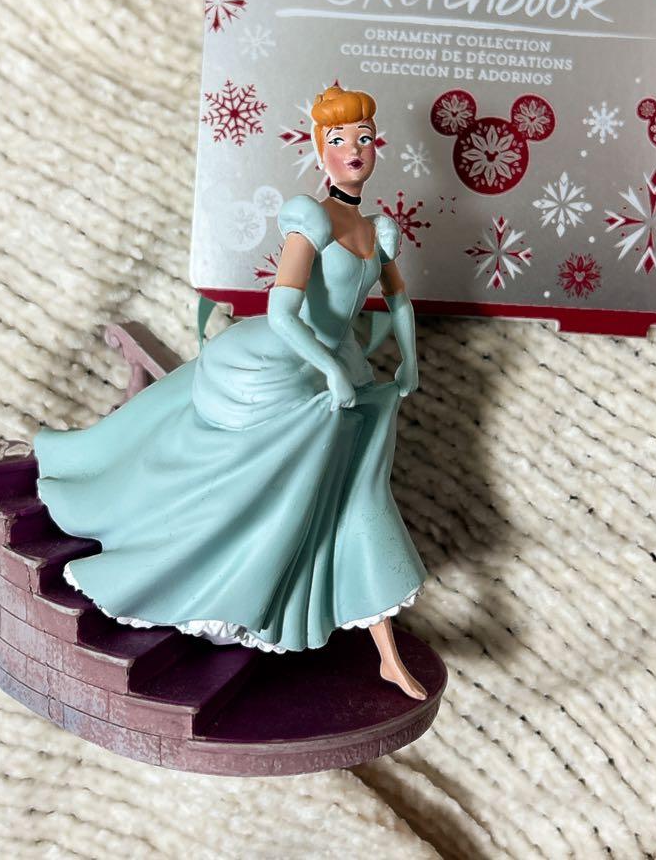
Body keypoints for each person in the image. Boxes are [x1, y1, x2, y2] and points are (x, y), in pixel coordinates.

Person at [34, 84, 428, 699]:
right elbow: (282, 313)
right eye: (338, 140)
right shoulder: (312, 220)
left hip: (344, 368)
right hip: (285, 360)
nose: (354, 150)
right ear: (319, 150)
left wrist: (408, 361)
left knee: (353, 493)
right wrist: (327, 369)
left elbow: (399, 301)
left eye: (364, 138)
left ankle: (380, 650)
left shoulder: (377, 230)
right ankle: (198, 569)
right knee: (269, 485)